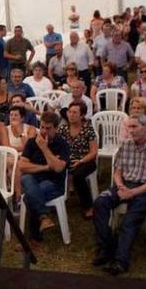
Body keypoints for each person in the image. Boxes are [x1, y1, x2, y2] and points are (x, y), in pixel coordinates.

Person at [92, 115, 146, 276]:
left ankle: (121, 261)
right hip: (125, 184)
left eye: (134, 127)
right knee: (100, 202)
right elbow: (118, 171)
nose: (130, 130)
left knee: (129, 220)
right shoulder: (125, 145)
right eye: (129, 127)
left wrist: (133, 192)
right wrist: (120, 186)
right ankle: (106, 247)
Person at [19, 111, 69, 245]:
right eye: (42, 127)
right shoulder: (32, 141)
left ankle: (34, 238)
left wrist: (45, 149)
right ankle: (43, 217)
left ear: (56, 128)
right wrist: (46, 167)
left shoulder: (62, 144)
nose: (44, 131)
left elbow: (58, 168)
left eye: (48, 128)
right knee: (26, 179)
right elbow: (22, 166)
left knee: (30, 196)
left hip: (54, 183)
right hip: (34, 180)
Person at [59, 102, 98, 219]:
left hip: (86, 160)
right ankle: (56, 201)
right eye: (69, 112)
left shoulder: (88, 129)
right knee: (53, 169)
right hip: (67, 160)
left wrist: (80, 161)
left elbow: (94, 152)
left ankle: (88, 206)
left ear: (82, 115)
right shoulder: (63, 129)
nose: (71, 115)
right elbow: (57, 146)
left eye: (75, 112)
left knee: (78, 175)